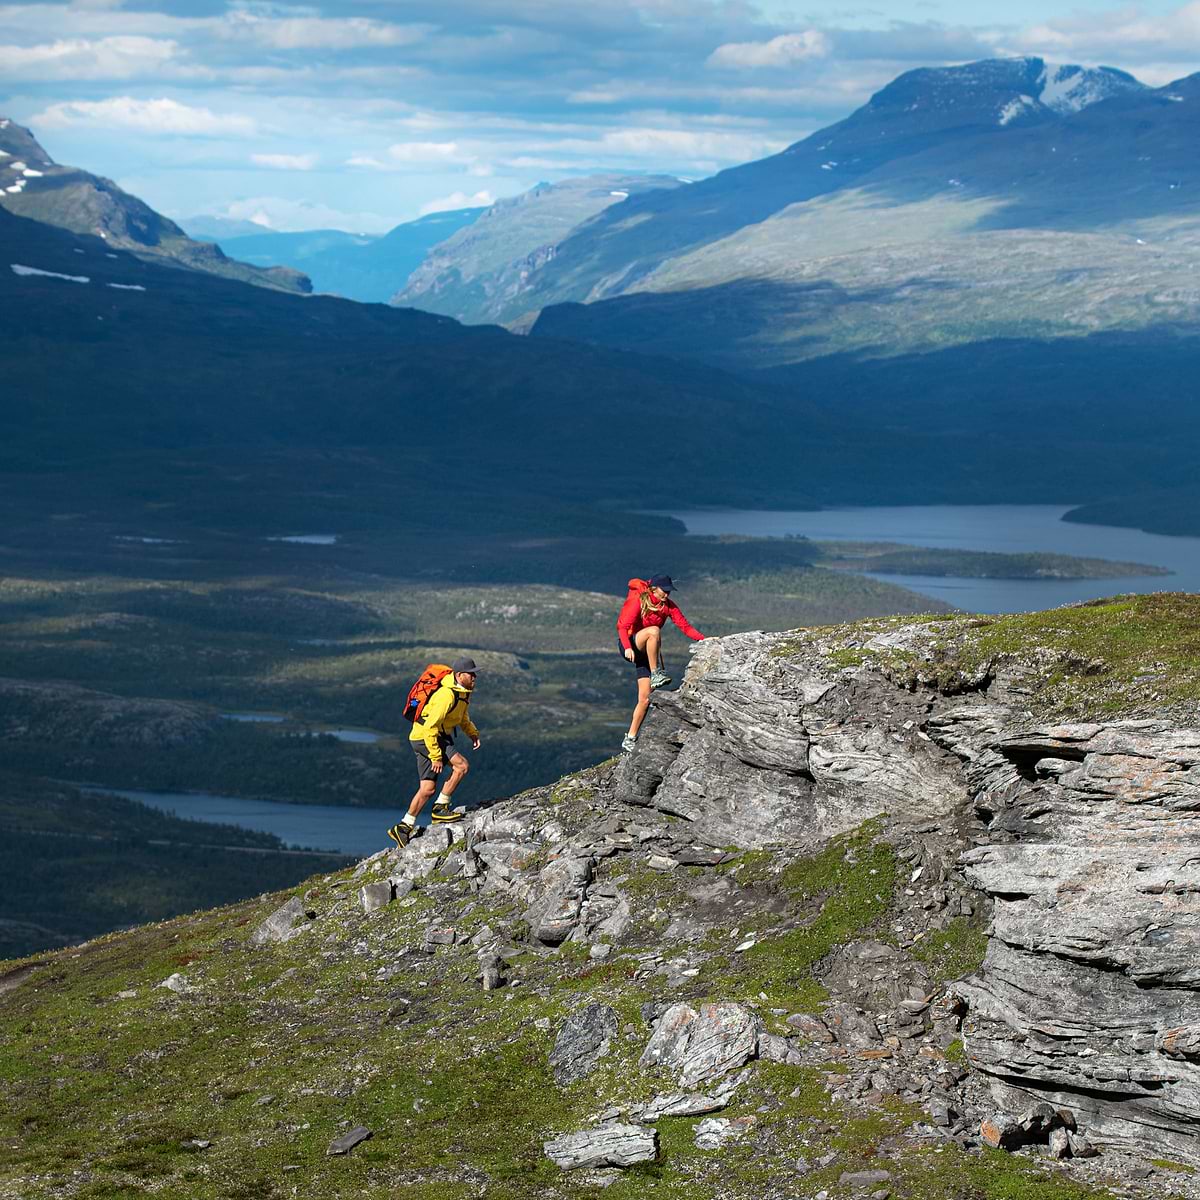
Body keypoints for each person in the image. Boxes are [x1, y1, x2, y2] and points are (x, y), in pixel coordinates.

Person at [387, 657, 482, 848]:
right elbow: (431, 727)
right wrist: (436, 756)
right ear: (459, 675)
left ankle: (403, 827)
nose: (474, 677)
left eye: (475, 674)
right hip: (427, 737)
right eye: (471, 674)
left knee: (427, 789)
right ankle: (440, 808)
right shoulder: (446, 695)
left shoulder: (463, 693)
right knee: (461, 766)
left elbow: (462, 717)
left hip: (425, 737)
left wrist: (473, 734)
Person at [616, 575, 704, 754]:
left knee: (645, 699)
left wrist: (706, 640)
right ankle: (656, 673)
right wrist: (627, 648)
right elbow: (622, 627)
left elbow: (685, 627)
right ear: (654, 588)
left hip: (647, 653)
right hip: (631, 645)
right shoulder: (639, 601)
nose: (667, 594)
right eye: (665, 590)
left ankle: (630, 738)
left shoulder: (668, 606)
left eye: (669, 591)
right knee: (654, 631)